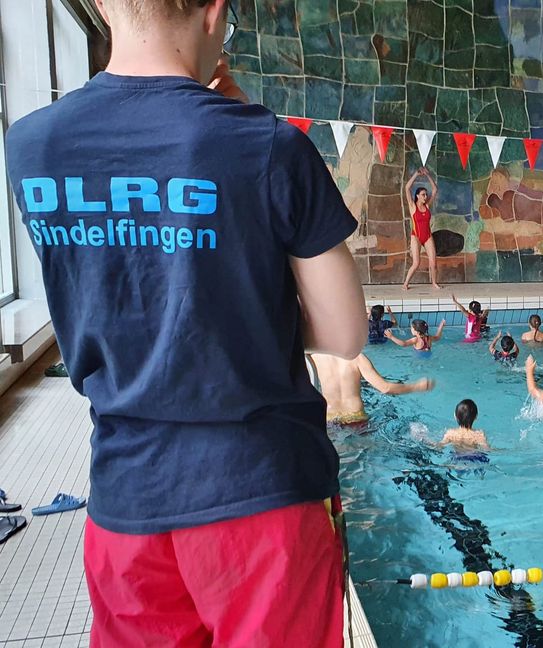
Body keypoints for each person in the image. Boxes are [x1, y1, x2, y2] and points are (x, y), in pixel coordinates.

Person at [4, 0, 367, 644]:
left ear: (101, 7)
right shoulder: (271, 146)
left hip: (125, 501)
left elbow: (116, 292)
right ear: (214, 13)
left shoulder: (31, 144)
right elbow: (343, 334)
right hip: (263, 500)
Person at [311, 353, 434, 425]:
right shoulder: (357, 358)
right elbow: (385, 388)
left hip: (329, 418)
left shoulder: (313, 358)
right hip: (356, 416)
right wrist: (416, 386)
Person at [403, 167, 441, 290]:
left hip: (428, 236)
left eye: (426, 194)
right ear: (417, 196)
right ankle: (405, 283)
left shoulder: (427, 205)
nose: (425, 196)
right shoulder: (412, 206)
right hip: (416, 237)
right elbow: (407, 188)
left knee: (433, 262)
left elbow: (435, 189)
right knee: (416, 263)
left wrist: (427, 175)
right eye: (423, 195)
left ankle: (434, 283)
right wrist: (416, 174)